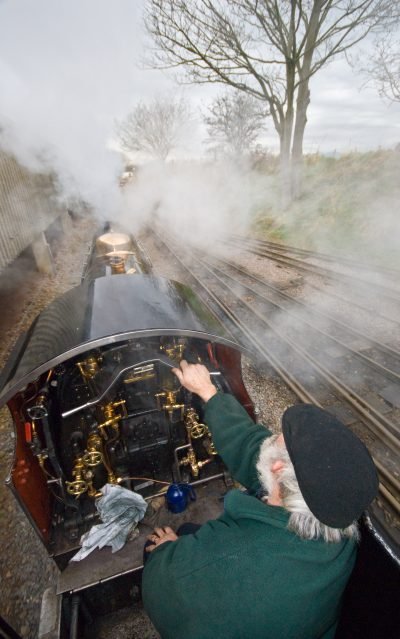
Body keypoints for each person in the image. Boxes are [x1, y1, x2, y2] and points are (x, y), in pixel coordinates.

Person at [142, 361, 378, 639]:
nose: (273, 436)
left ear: (277, 470)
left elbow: (162, 596)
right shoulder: (334, 511)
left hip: (245, 595)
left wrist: (165, 553)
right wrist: (209, 393)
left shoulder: (222, 564)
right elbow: (252, 446)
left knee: (156, 545)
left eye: (279, 437)